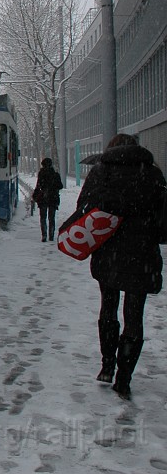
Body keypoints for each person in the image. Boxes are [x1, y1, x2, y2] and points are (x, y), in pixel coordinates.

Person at [75, 133, 166, 399]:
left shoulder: (101, 172)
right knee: (134, 317)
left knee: (109, 306)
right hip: (142, 257)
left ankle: (107, 366)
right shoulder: (153, 174)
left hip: (109, 254)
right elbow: (162, 221)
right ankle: (124, 379)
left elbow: (84, 209)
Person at [32, 157, 63, 242]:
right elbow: (60, 186)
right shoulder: (55, 175)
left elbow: (38, 186)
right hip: (53, 198)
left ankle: (44, 235)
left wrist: (35, 195)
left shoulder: (41, 174)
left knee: (43, 218)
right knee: (51, 218)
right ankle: (51, 235)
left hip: (43, 198)